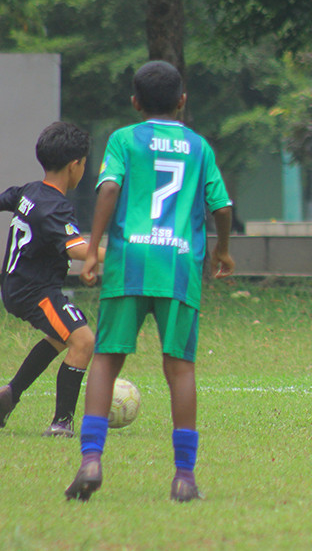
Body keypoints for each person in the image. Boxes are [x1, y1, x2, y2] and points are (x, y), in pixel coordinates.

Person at [65, 60, 235, 503]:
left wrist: (93, 248)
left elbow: (108, 190)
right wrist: (222, 250)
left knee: (106, 359)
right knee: (179, 368)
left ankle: (91, 460)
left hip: (129, 260)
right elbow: (221, 206)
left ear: (135, 102)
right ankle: (184, 477)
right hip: (178, 264)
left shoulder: (124, 139)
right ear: (182, 101)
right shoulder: (198, 147)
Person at [0, 122, 106, 437]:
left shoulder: (30, 191)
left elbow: (6, 200)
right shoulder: (56, 207)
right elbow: (78, 250)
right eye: (84, 164)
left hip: (18, 286)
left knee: (63, 336)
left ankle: (9, 396)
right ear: (75, 165)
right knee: (83, 340)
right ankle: (61, 424)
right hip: (35, 291)